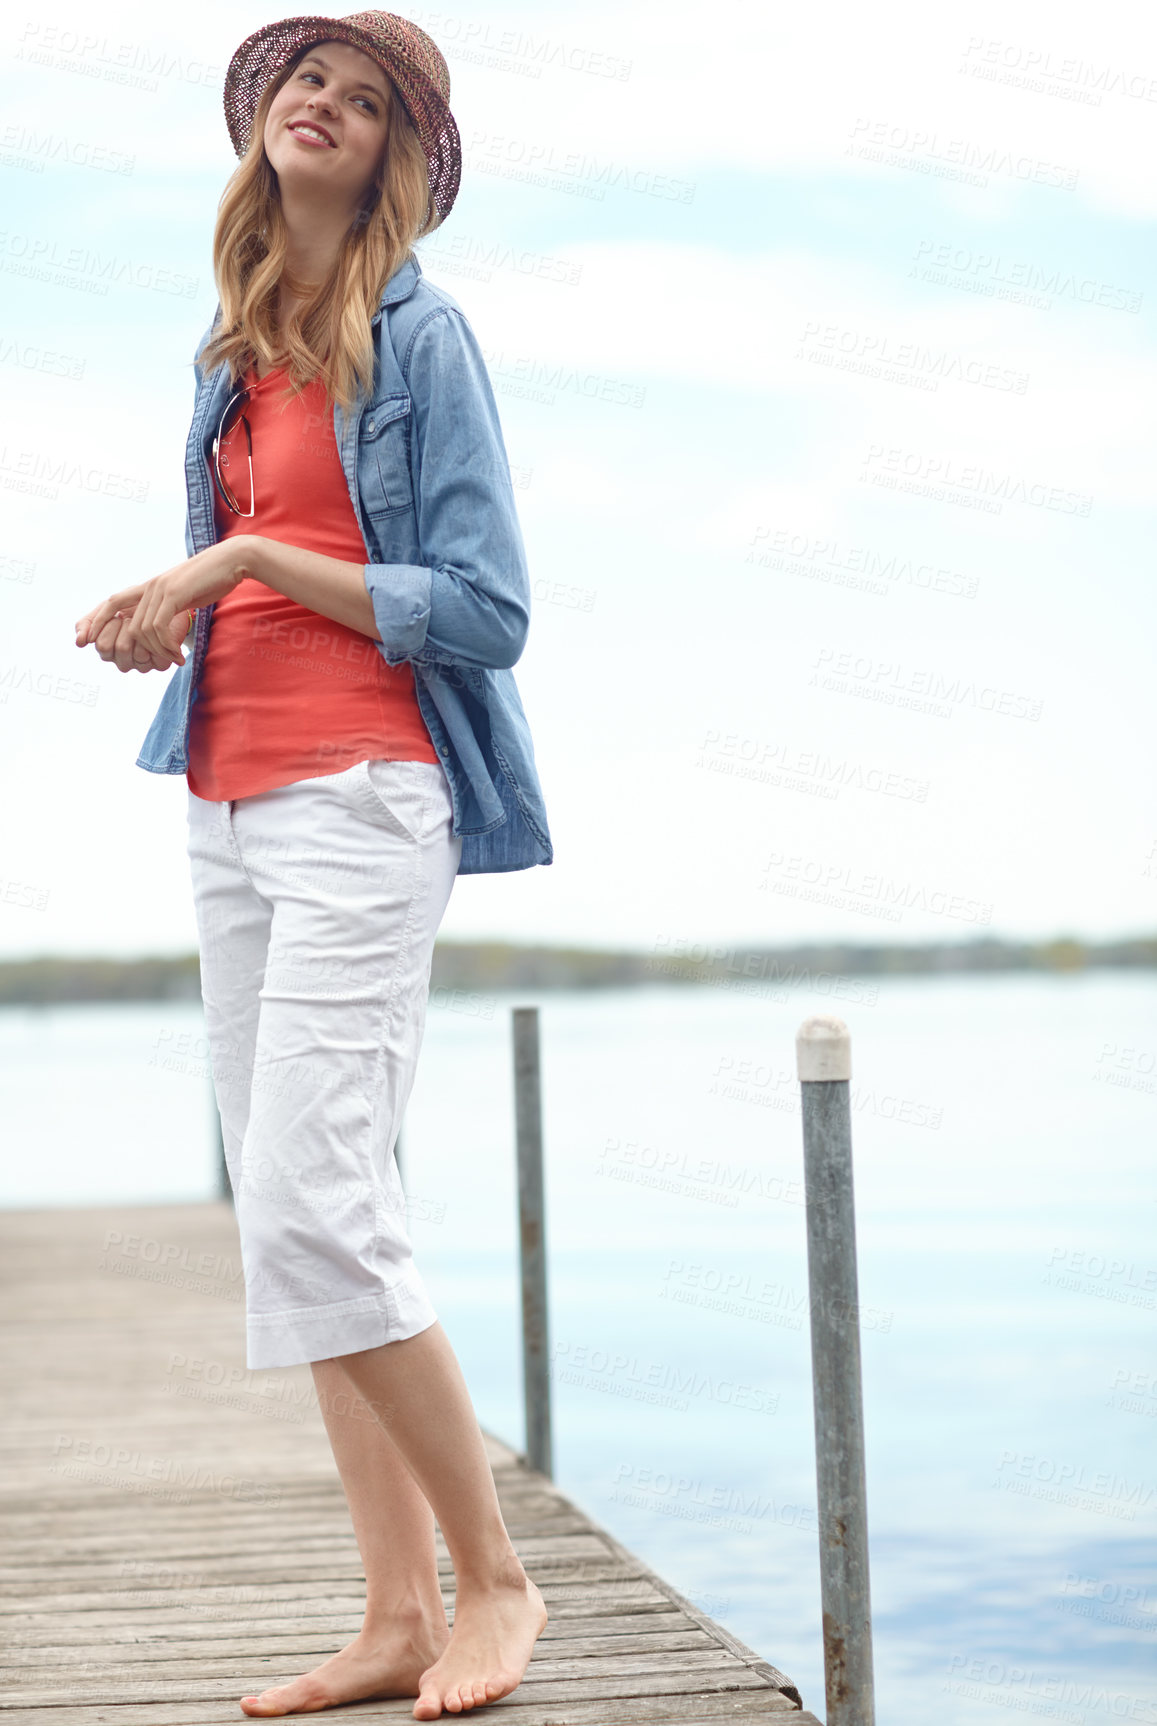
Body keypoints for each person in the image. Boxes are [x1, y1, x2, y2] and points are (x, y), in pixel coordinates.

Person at [73, 11, 552, 1718]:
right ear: (261, 124)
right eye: (302, 83)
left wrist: (237, 560)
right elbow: (240, 602)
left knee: (311, 1197)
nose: (321, 105)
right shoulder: (228, 355)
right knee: (306, 1231)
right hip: (224, 799)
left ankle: (497, 1585)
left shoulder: (424, 344)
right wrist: (168, 621)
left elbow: (487, 611)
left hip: (365, 793)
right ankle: (394, 1613)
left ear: (403, 158)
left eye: (361, 98)